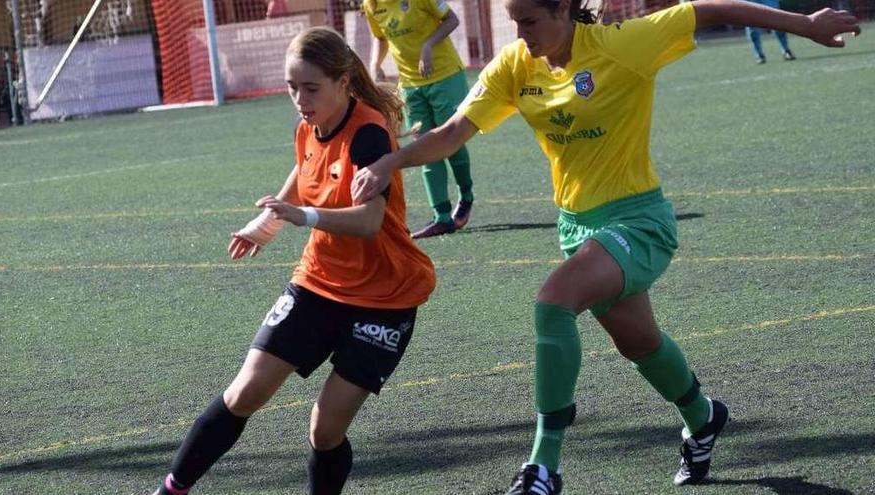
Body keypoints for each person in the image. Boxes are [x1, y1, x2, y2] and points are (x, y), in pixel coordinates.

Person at [351, 2, 860, 493]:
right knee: (639, 344)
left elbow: (707, 10)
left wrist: (803, 23)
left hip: (638, 221)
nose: (520, 32)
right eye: (513, 21)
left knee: (553, 302)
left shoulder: (624, 44)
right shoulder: (514, 65)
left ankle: (543, 467)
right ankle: (703, 418)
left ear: (563, 8)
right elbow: (452, 132)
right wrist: (390, 162)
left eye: (529, 19)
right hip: (576, 228)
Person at [151, 26, 436, 495]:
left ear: (343, 82)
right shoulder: (309, 124)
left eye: (310, 88)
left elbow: (368, 221)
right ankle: (169, 492)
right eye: (291, 87)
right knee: (245, 392)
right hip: (319, 283)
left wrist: (301, 216)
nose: (300, 99)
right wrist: (263, 226)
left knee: (324, 431)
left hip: (385, 297)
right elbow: (303, 172)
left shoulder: (368, 134)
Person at [363, 0, 476, 238]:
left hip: (445, 76)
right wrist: (375, 63)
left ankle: (466, 196)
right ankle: (442, 217)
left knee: (451, 141)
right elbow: (381, 37)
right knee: (423, 147)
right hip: (411, 85)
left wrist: (428, 45)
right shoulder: (371, 4)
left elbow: (452, 19)